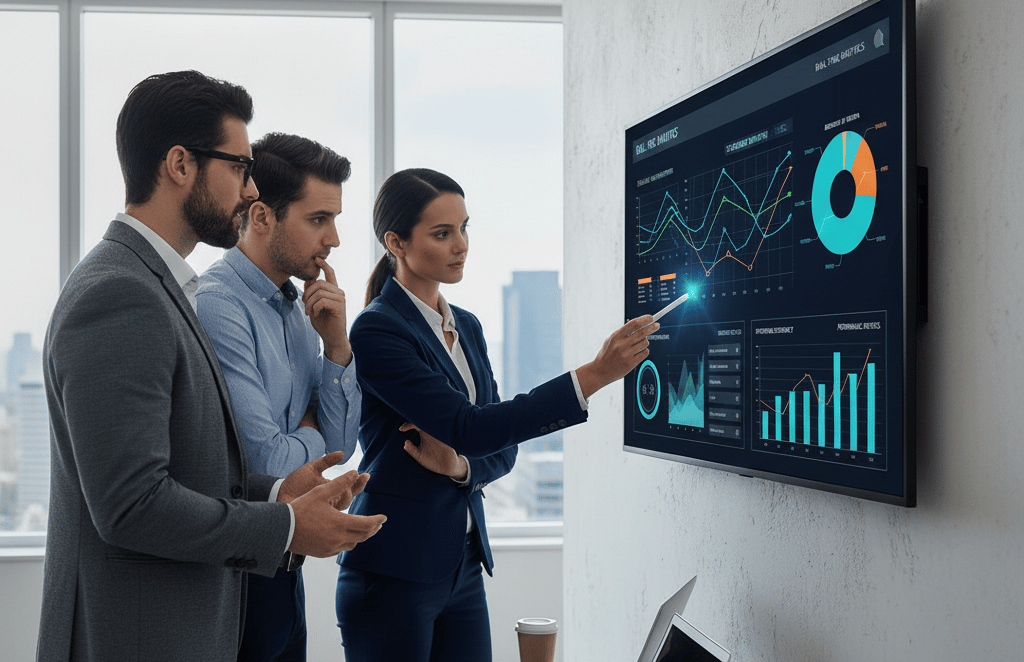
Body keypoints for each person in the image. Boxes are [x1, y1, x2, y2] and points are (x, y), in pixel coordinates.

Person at [36, 71, 385, 662]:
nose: (251, 191)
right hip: (141, 637)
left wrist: (278, 489)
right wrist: (286, 525)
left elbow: (191, 465)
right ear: (180, 164)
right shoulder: (121, 294)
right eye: (240, 168)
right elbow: (132, 505)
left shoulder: (158, 285)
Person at [335, 168, 658, 661]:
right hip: (393, 570)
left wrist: (459, 466)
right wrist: (594, 375)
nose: (461, 245)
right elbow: (472, 427)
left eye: (464, 228)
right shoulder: (378, 330)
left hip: (462, 565)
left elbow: (502, 449)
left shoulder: (467, 326)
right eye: (442, 234)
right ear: (396, 242)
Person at [196, 132, 360, 661]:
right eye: (319, 219)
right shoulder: (218, 305)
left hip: (288, 568)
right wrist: (312, 431)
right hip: (240, 576)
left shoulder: (301, 308)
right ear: (262, 216)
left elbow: (342, 443)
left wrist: (336, 346)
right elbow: (265, 462)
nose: (334, 239)